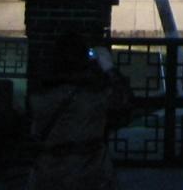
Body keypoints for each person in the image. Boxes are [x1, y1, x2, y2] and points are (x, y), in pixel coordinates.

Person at [26, 32, 133, 190]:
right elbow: (125, 102)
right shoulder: (95, 97)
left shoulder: (40, 96)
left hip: (50, 170)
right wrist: (109, 68)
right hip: (91, 171)